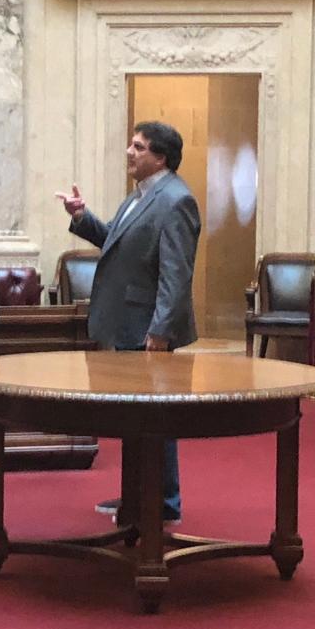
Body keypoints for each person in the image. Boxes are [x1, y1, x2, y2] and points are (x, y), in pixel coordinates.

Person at [56, 121, 201, 524]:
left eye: (138, 147)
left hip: (147, 329)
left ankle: (163, 504)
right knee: (134, 419)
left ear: (161, 157)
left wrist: (160, 331)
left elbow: (177, 273)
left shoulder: (176, 200)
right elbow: (115, 242)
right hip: (128, 323)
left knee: (155, 421)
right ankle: (137, 499)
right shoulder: (141, 196)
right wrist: (82, 217)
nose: (129, 152)